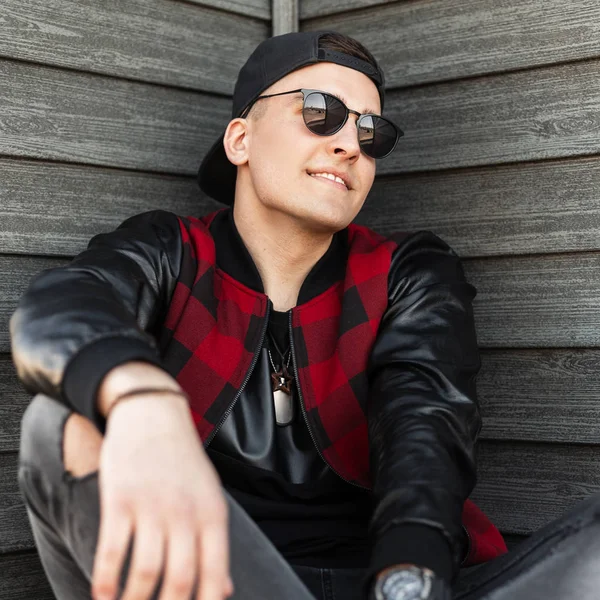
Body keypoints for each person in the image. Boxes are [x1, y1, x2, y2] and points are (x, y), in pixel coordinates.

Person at [10, 30, 600, 600]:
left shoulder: (406, 271)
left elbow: (426, 421)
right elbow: (66, 305)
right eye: (320, 111)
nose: (350, 143)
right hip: (223, 579)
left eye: (372, 131)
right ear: (240, 140)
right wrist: (144, 400)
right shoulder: (170, 253)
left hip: (400, 576)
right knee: (57, 428)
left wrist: (411, 577)